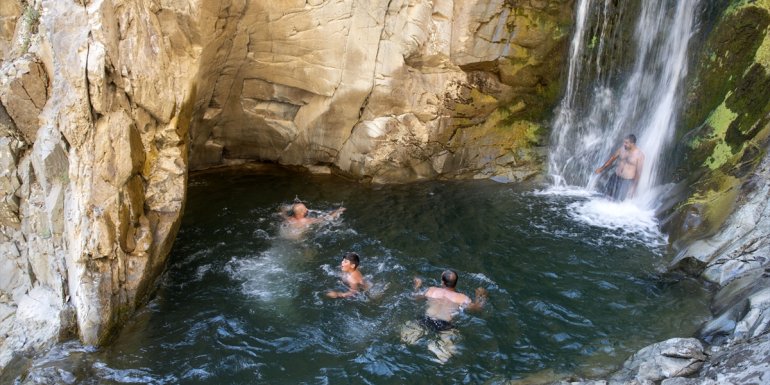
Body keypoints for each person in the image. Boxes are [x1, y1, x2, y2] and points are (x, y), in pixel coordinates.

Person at [401, 270, 487, 363]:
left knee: (405, 341)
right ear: (456, 283)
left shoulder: (431, 290)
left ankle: (413, 342)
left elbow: (414, 297)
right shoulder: (462, 298)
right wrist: (481, 295)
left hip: (425, 320)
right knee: (444, 357)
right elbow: (478, 308)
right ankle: (435, 349)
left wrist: (417, 285)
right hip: (444, 326)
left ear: (442, 281)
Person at [595, 134, 645, 200]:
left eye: (626, 143)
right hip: (615, 177)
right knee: (605, 196)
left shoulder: (639, 155)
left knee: (619, 201)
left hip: (627, 181)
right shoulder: (622, 149)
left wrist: (634, 188)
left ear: (632, 143)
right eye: (624, 142)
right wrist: (602, 168)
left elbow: (638, 172)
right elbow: (612, 159)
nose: (624, 144)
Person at [279, 200, 345, 239]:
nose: (307, 209)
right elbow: (326, 219)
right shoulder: (307, 221)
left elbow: (282, 213)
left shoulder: (289, 219)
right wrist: (338, 211)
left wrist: (284, 209)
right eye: (305, 209)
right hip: (297, 239)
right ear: (302, 213)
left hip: (285, 236)